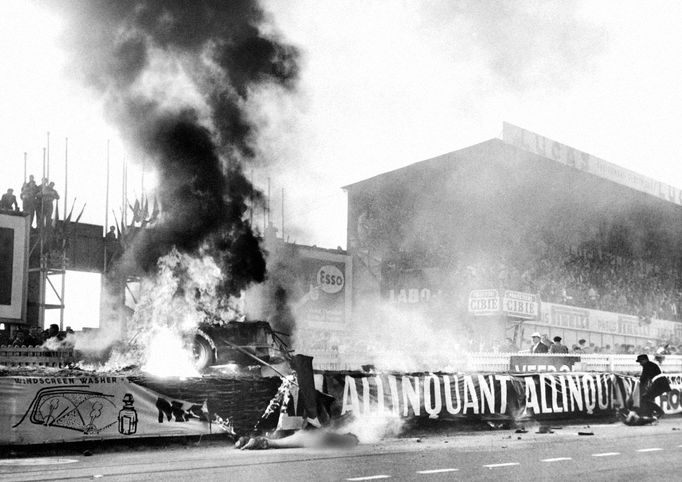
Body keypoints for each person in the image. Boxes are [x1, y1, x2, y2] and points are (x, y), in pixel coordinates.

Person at [637, 353, 670, 419]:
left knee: (645, 398)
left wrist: (638, 382)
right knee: (649, 398)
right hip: (661, 382)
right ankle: (649, 414)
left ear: (645, 360)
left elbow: (643, 378)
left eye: (640, 361)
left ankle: (659, 412)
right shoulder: (651, 364)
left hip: (659, 383)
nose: (640, 364)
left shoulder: (647, 366)